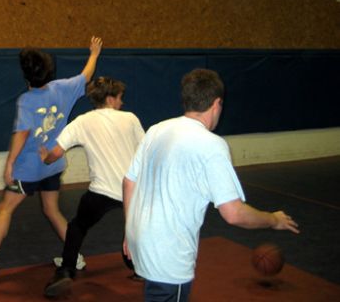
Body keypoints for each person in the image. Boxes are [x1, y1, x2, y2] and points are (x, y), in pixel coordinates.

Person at [123, 68, 300, 302]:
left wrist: (130, 231)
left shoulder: (157, 129)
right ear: (216, 104)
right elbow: (233, 214)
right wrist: (273, 220)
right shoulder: (211, 145)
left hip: (141, 240)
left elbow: (129, 181)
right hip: (169, 255)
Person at [0, 37, 103, 280]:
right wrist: (94, 53)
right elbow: (86, 75)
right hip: (53, 165)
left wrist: (10, 163)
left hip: (29, 169)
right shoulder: (63, 87)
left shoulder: (26, 100)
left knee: (5, 208)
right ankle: (75, 257)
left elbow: (22, 133)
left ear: (26, 75)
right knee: (51, 209)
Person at [41, 77, 145, 298]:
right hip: (132, 189)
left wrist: (45, 158)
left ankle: (66, 270)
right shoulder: (131, 119)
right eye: (119, 98)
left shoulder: (82, 121)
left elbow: (55, 154)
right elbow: (145, 153)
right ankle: (139, 268)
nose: (122, 103)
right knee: (136, 229)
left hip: (101, 192)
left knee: (78, 226)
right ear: (110, 98)